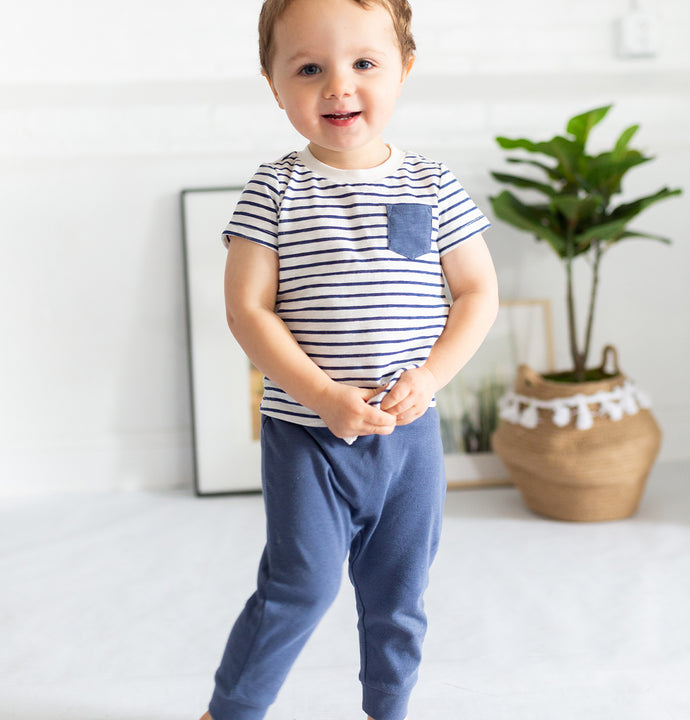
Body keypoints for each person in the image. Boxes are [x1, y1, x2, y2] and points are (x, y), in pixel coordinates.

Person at [200, 0, 498, 718]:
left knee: (398, 591)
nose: (339, 85)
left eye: (364, 63)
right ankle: (231, 710)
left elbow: (477, 292)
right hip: (308, 434)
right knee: (299, 583)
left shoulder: (430, 184)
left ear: (405, 69)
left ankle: (387, 709)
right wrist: (324, 395)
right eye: (309, 68)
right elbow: (248, 310)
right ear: (274, 85)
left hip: (409, 435)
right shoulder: (273, 190)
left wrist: (430, 378)